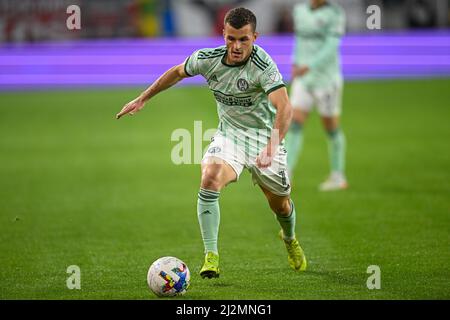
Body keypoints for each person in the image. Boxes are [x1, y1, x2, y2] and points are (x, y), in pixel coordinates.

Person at [116, 7, 306, 278]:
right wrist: (143, 97)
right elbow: (178, 72)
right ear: (224, 35)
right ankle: (211, 256)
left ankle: (289, 239)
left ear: (255, 37)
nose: (236, 46)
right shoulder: (209, 58)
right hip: (230, 137)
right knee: (210, 177)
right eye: (231, 39)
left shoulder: (263, 66)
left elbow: (284, 108)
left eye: (243, 39)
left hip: (266, 141)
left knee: (280, 205)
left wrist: (273, 146)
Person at [285, 0, 348, 191]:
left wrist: (309, 65)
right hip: (303, 80)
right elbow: (299, 40)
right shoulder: (299, 10)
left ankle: (338, 176)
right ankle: (286, 172)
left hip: (326, 80)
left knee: (331, 127)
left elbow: (332, 46)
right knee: (294, 123)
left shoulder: (335, 14)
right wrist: (295, 62)